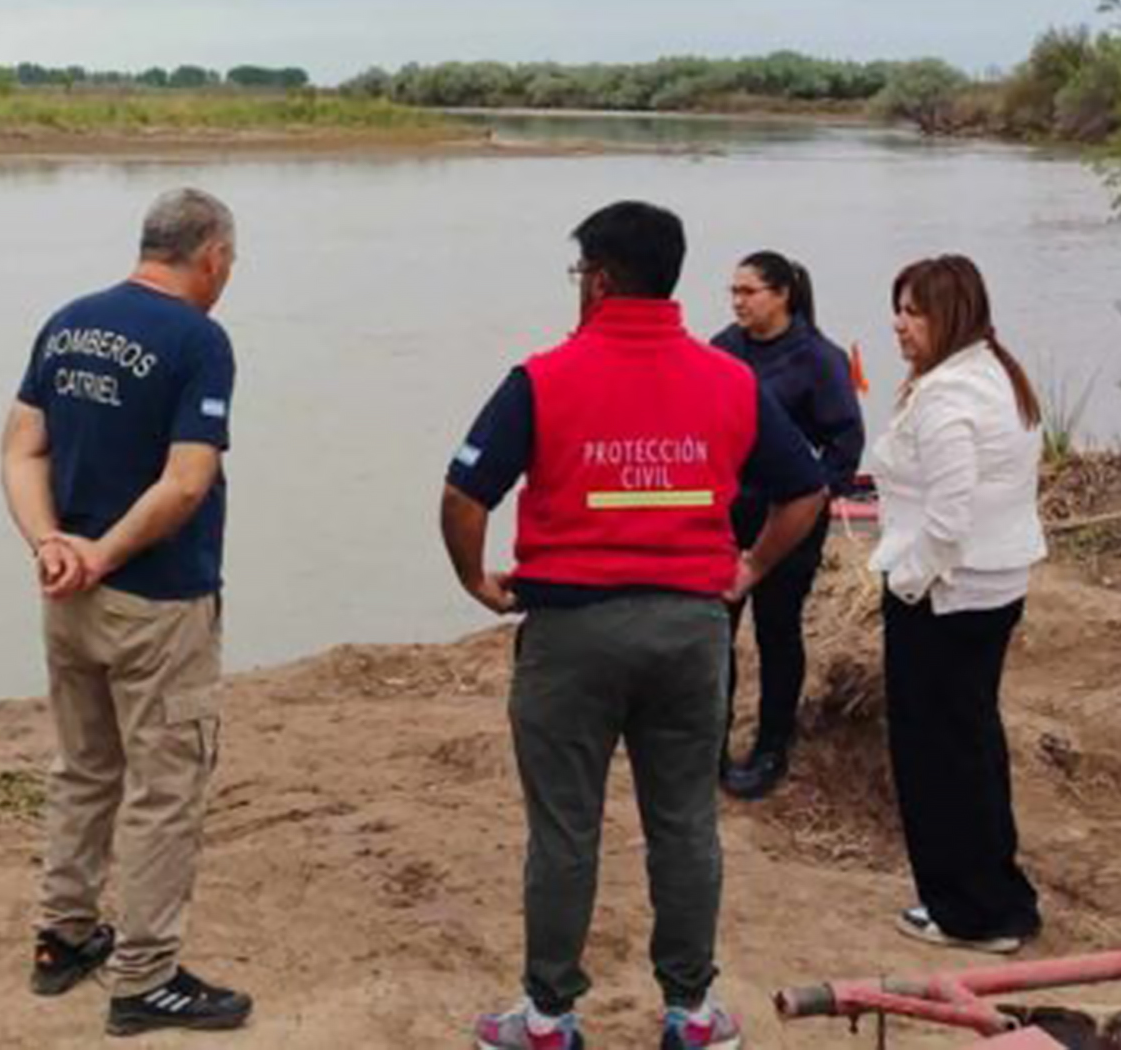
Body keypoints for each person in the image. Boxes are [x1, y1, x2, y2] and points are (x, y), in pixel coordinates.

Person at [442, 201, 827, 1050]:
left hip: (571, 634)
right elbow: (807, 489)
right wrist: (751, 568)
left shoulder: (542, 378)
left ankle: (547, 1017)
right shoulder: (731, 380)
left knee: (565, 828)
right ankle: (691, 1013)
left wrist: (478, 581)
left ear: (602, 280)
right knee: (686, 821)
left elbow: (465, 494)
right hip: (691, 632)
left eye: (581, 274)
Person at [0, 187, 252, 1037]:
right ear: (211, 255)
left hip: (67, 594)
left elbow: (19, 446)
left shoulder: (68, 321)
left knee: (82, 767)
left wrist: (51, 545)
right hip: (157, 599)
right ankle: (145, 977)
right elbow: (187, 481)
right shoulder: (199, 340)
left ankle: (63, 937)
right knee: (166, 787)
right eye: (231, 263)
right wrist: (104, 552)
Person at [869, 254, 1046, 955]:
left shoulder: (947, 397)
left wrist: (905, 581)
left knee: (933, 753)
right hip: (993, 587)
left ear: (952, 315)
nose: (899, 324)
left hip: (945, 597)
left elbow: (948, 519)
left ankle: (968, 910)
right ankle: (996, 894)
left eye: (913, 311)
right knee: (971, 742)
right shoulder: (995, 372)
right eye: (900, 308)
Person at [711, 252, 864, 799]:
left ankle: (772, 746)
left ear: (782, 296)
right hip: (728, 512)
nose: (737, 302)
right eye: (733, 291)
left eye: (748, 291)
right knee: (714, 627)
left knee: (777, 627)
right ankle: (712, 742)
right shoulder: (723, 348)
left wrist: (817, 494)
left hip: (790, 515)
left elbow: (845, 442)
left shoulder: (818, 359)